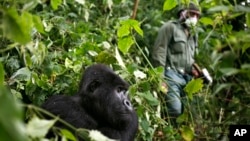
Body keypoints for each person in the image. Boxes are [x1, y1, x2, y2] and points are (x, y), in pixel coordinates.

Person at [151, 2, 201, 125]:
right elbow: (159, 53)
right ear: (183, 13)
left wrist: (195, 70)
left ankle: (173, 133)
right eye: (192, 14)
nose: (194, 18)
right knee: (174, 109)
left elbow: (189, 57)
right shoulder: (170, 27)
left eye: (197, 15)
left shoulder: (193, 34)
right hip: (171, 75)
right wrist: (160, 77)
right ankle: (164, 131)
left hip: (186, 78)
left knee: (186, 113)